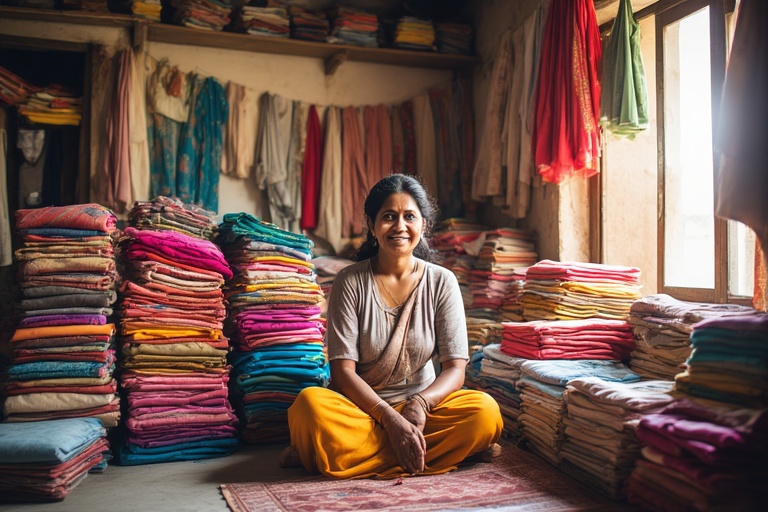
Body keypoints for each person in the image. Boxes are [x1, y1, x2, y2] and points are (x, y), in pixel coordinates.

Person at [284, 173, 503, 479]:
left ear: (423, 226)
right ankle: (427, 452)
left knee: (485, 412)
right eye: (389, 216)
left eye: (409, 216)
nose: (399, 226)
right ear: (372, 225)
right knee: (310, 407)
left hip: (422, 413)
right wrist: (390, 420)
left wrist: (420, 404)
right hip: (362, 410)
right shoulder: (350, 281)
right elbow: (343, 372)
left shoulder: (442, 282)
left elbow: (455, 368)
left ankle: (333, 454)